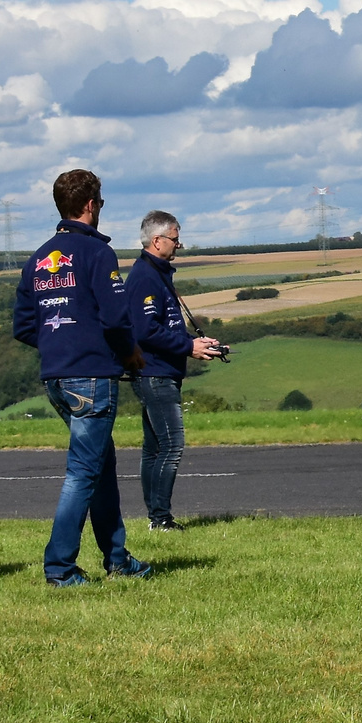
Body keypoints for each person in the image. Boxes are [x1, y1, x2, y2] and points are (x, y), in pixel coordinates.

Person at [13, 169, 153, 587]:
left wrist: (60, 343)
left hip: (55, 376)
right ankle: (59, 567)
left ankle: (118, 559)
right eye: (102, 202)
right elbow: (114, 317)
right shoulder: (97, 254)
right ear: (91, 205)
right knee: (82, 472)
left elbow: (23, 326)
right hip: (91, 376)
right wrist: (129, 353)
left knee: (99, 467)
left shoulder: (39, 257)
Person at [125, 210, 223, 532]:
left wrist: (195, 341)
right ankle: (161, 519)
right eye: (175, 239)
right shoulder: (144, 277)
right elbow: (145, 331)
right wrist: (188, 348)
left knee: (154, 447)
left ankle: (156, 517)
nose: (179, 245)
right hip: (155, 373)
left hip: (160, 371)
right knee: (171, 444)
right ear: (157, 241)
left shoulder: (156, 274)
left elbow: (163, 326)